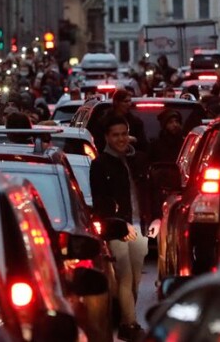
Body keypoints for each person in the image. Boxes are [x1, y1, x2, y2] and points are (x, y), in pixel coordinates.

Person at [89, 115, 147, 341]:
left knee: (135, 278)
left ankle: (124, 320)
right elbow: (101, 200)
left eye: (124, 134)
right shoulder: (100, 164)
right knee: (125, 275)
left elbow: (147, 191)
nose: (121, 139)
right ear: (106, 137)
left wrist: (152, 218)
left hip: (139, 224)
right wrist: (119, 223)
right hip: (116, 228)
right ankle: (131, 323)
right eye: (116, 135)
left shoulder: (139, 159)